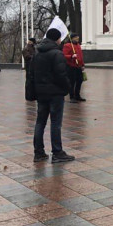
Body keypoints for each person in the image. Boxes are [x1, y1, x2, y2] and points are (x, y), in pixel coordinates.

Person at [29, 29, 74, 163]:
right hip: (55, 93)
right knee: (55, 123)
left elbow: (31, 74)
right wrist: (67, 88)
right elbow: (61, 75)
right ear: (57, 39)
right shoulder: (57, 54)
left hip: (41, 93)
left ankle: (39, 152)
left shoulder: (37, 53)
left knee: (40, 122)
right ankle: (57, 152)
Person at [62, 33, 85, 103]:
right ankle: (72, 96)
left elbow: (80, 56)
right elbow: (64, 55)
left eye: (78, 38)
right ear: (72, 39)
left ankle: (77, 95)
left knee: (80, 80)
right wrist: (71, 56)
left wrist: (82, 64)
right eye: (76, 38)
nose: (77, 39)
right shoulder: (67, 45)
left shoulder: (78, 45)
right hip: (71, 66)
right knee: (72, 82)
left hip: (78, 66)